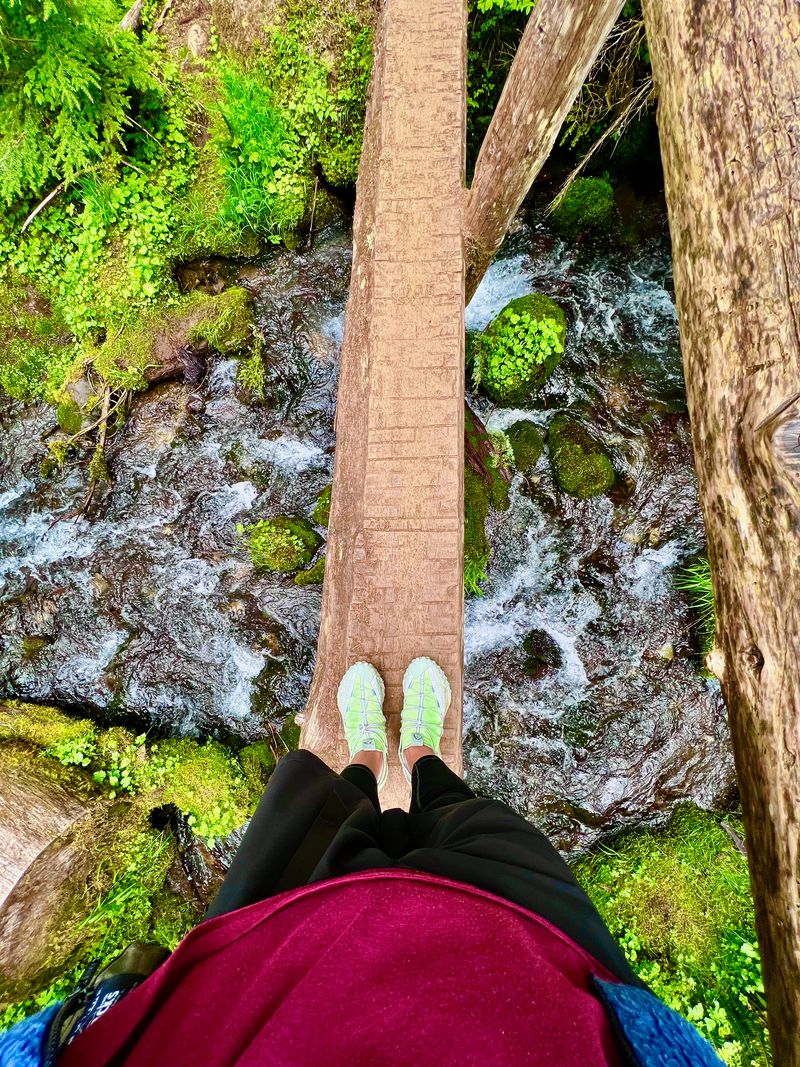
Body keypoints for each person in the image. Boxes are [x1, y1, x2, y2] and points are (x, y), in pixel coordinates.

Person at [2, 659, 723, 1066]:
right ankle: (420, 751)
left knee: (334, 810)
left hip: (265, 975)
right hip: (522, 965)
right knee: (464, 816)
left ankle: (371, 754)